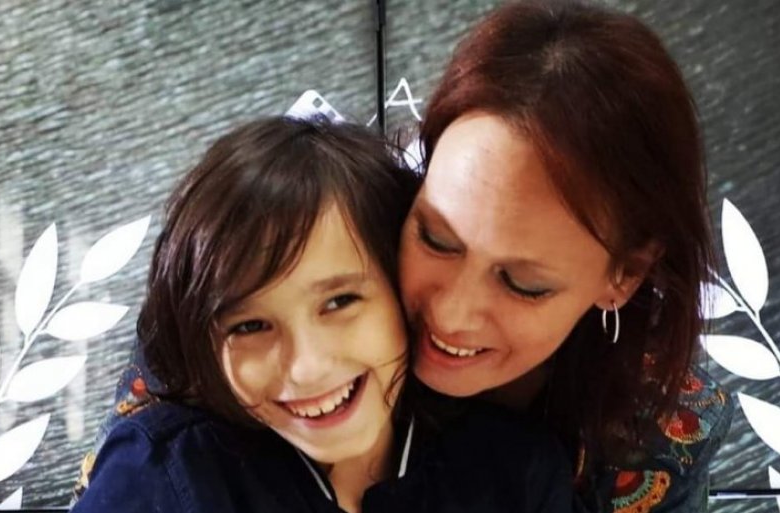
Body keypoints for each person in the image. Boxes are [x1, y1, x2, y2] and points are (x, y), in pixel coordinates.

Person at [70, 116, 575, 513]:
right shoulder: (164, 476)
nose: (307, 368)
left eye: (339, 302)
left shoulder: (515, 474)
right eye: (250, 326)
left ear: (400, 287)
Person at [400, 1, 732, 512]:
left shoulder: (665, 435)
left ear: (625, 274)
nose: (450, 313)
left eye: (523, 284)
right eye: (436, 240)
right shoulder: (317, 318)